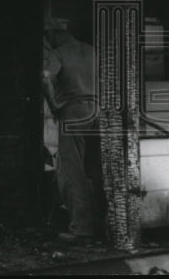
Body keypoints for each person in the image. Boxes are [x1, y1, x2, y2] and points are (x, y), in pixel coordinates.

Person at [42, 17, 101, 242]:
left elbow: (45, 79)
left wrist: (55, 106)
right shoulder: (91, 50)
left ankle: (82, 228)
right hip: (96, 112)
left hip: (73, 112)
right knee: (95, 169)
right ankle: (102, 224)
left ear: (55, 34)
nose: (48, 42)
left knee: (72, 171)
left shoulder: (59, 54)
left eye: (48, 37)